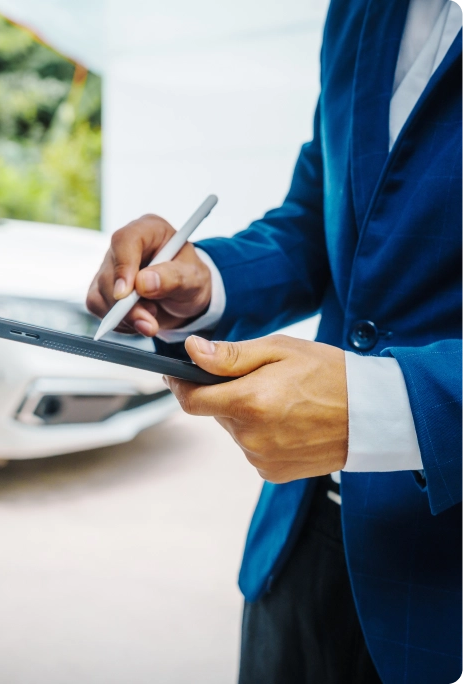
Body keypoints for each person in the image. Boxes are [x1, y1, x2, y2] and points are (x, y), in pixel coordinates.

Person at [86, 0, 463, 682]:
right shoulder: (359, 11)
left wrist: (387, 407)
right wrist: (205, 280)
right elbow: (320, 220)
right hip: (299, 547)